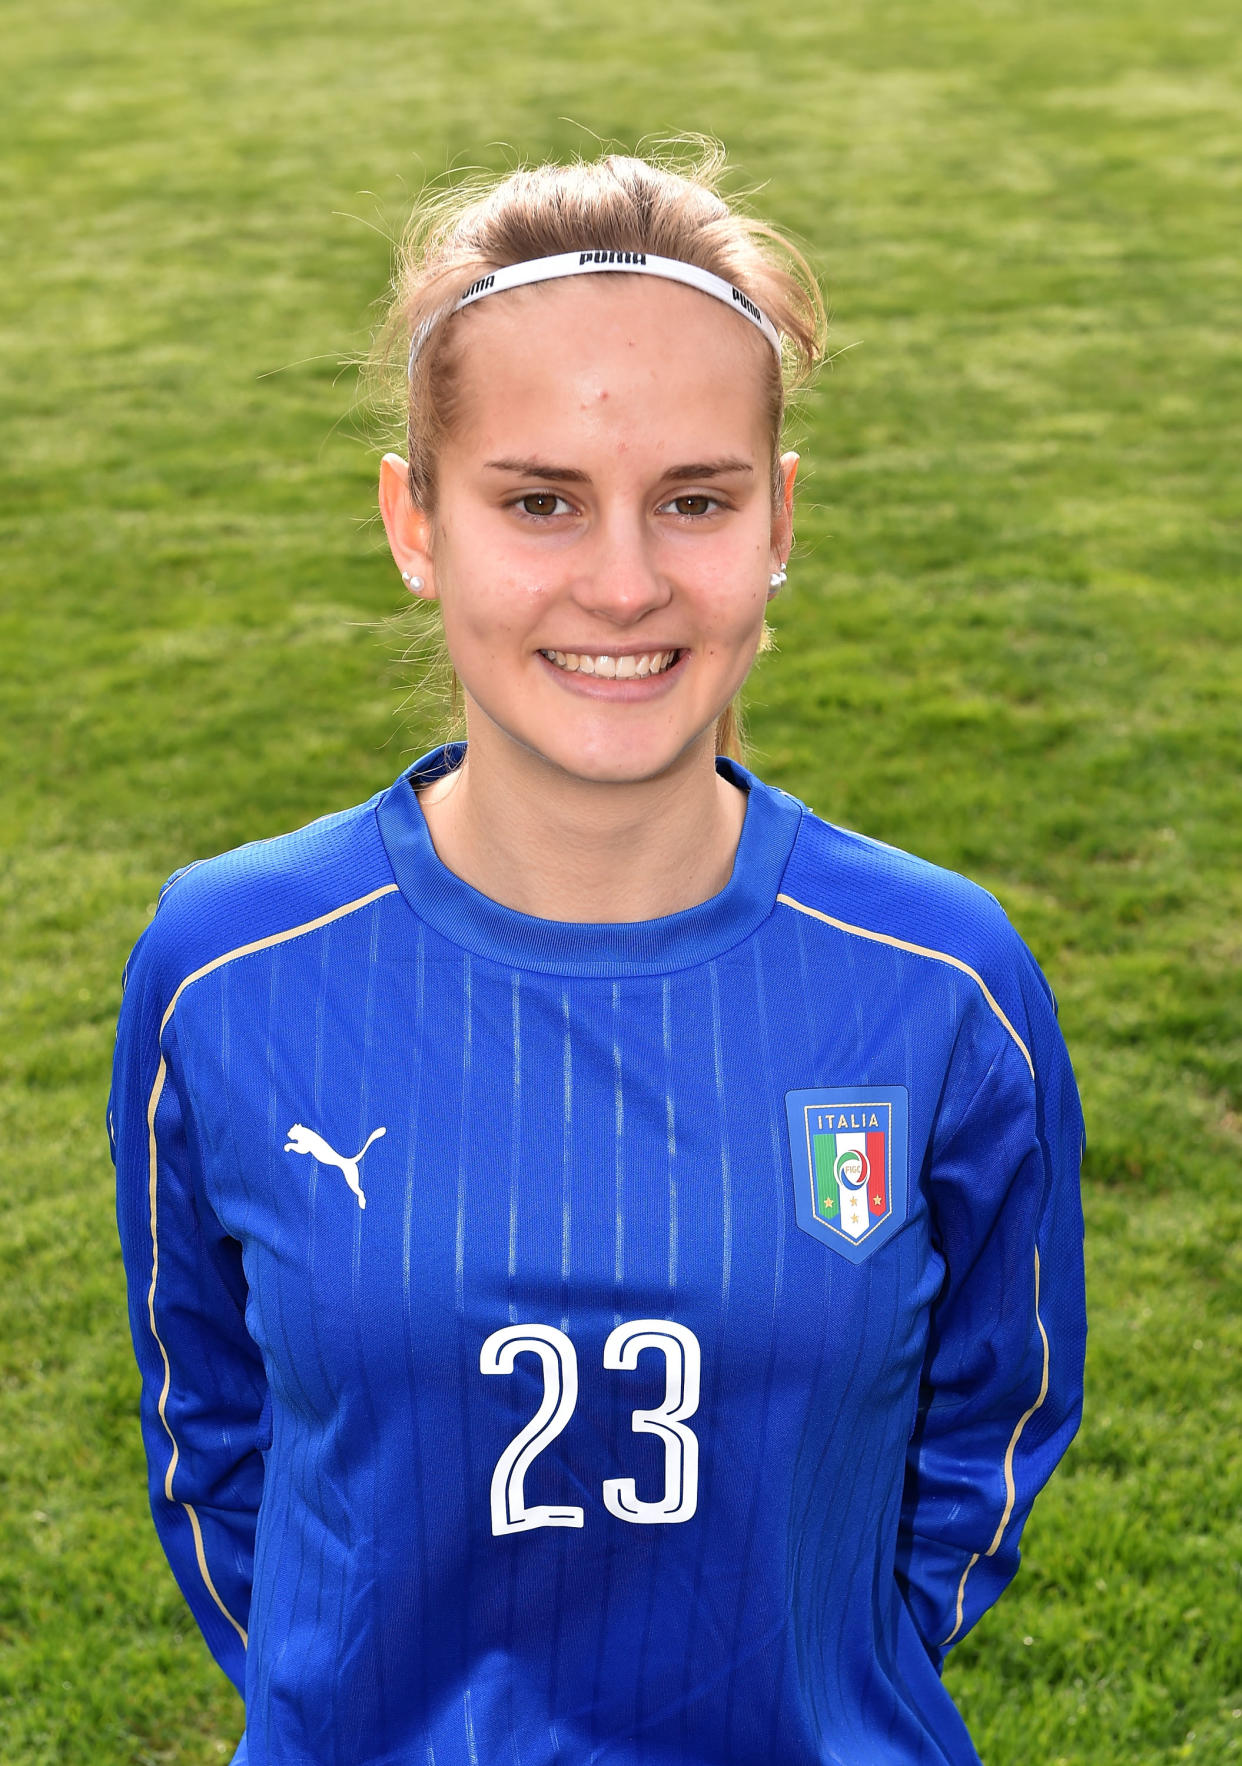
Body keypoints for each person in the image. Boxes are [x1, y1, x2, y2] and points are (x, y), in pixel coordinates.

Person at [110, 146, 1086, 1766]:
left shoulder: (935, 978)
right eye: (538, 500)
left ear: (777, 519)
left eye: (694, 501)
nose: (624, 582)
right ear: (414, 520)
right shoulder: (230, 962)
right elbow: (213, 1433)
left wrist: (821, 1686)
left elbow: (990, 1420)